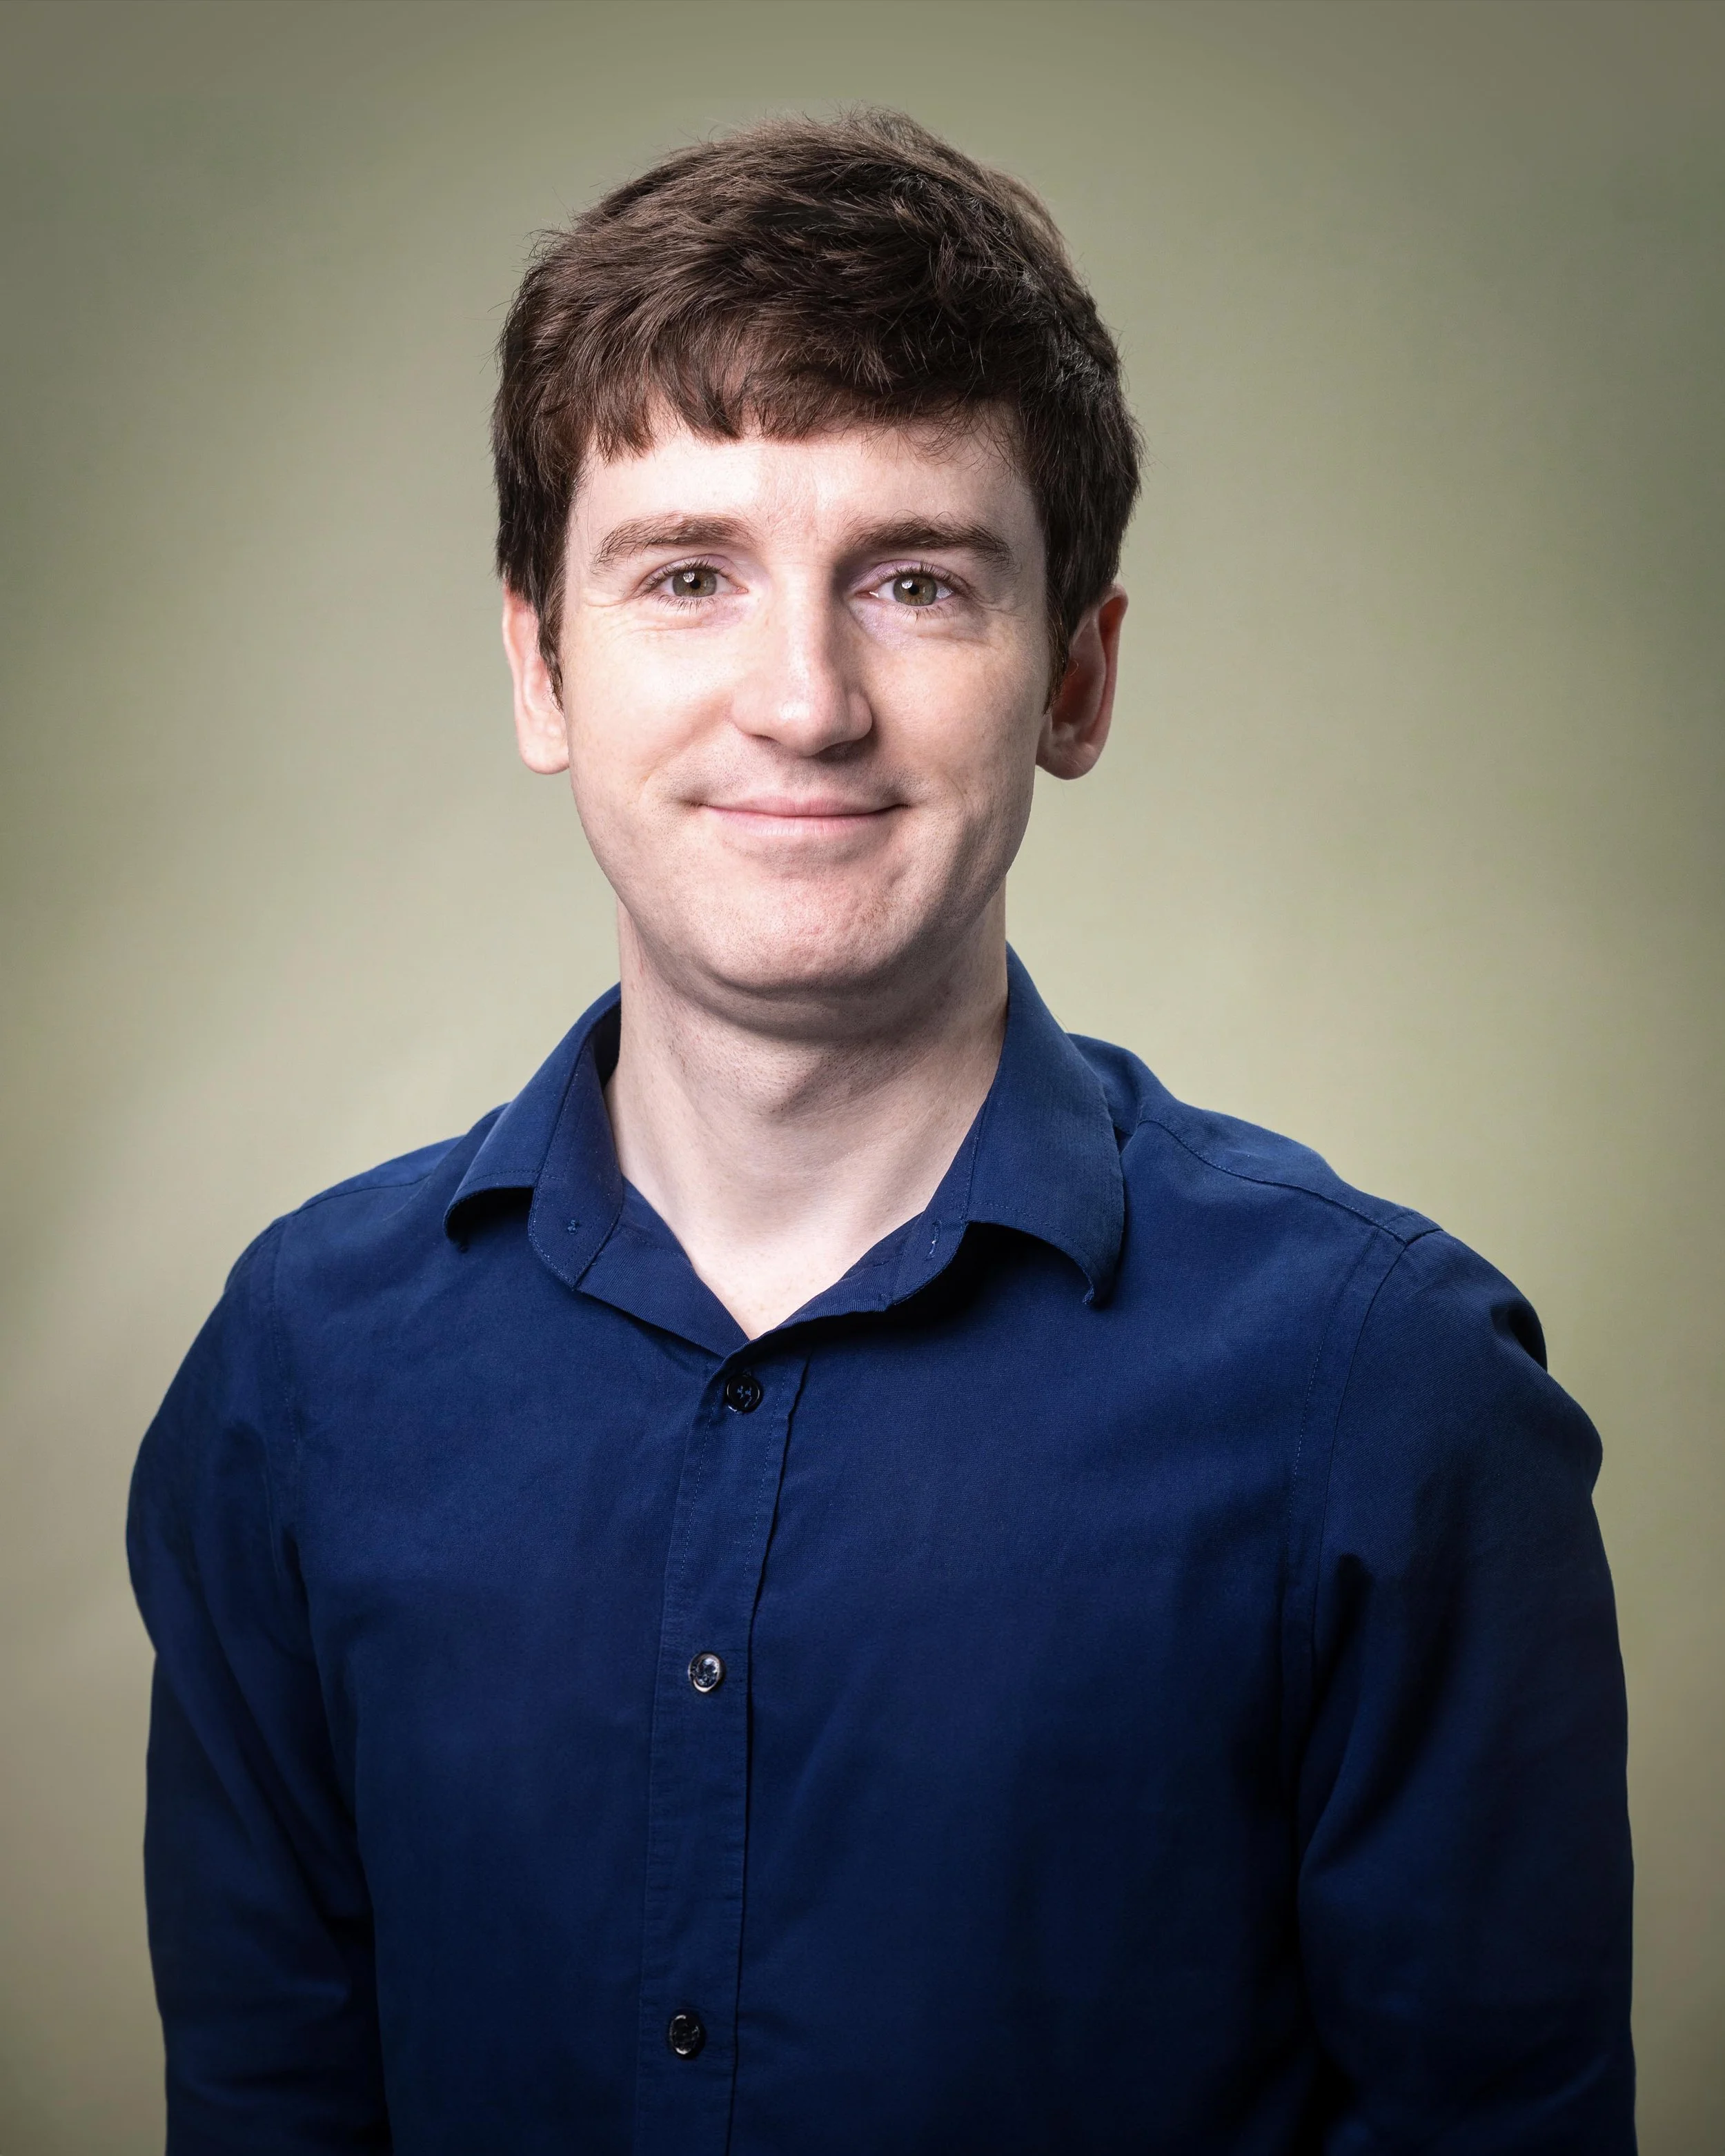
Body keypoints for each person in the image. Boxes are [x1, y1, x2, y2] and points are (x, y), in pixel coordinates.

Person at [128, 109, 1634, 2155]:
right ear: (535, 660)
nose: (803, 699)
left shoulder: (1391, 1399)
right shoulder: (297, 1376)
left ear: (1075, 678)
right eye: (687, 574)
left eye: (915, 581)